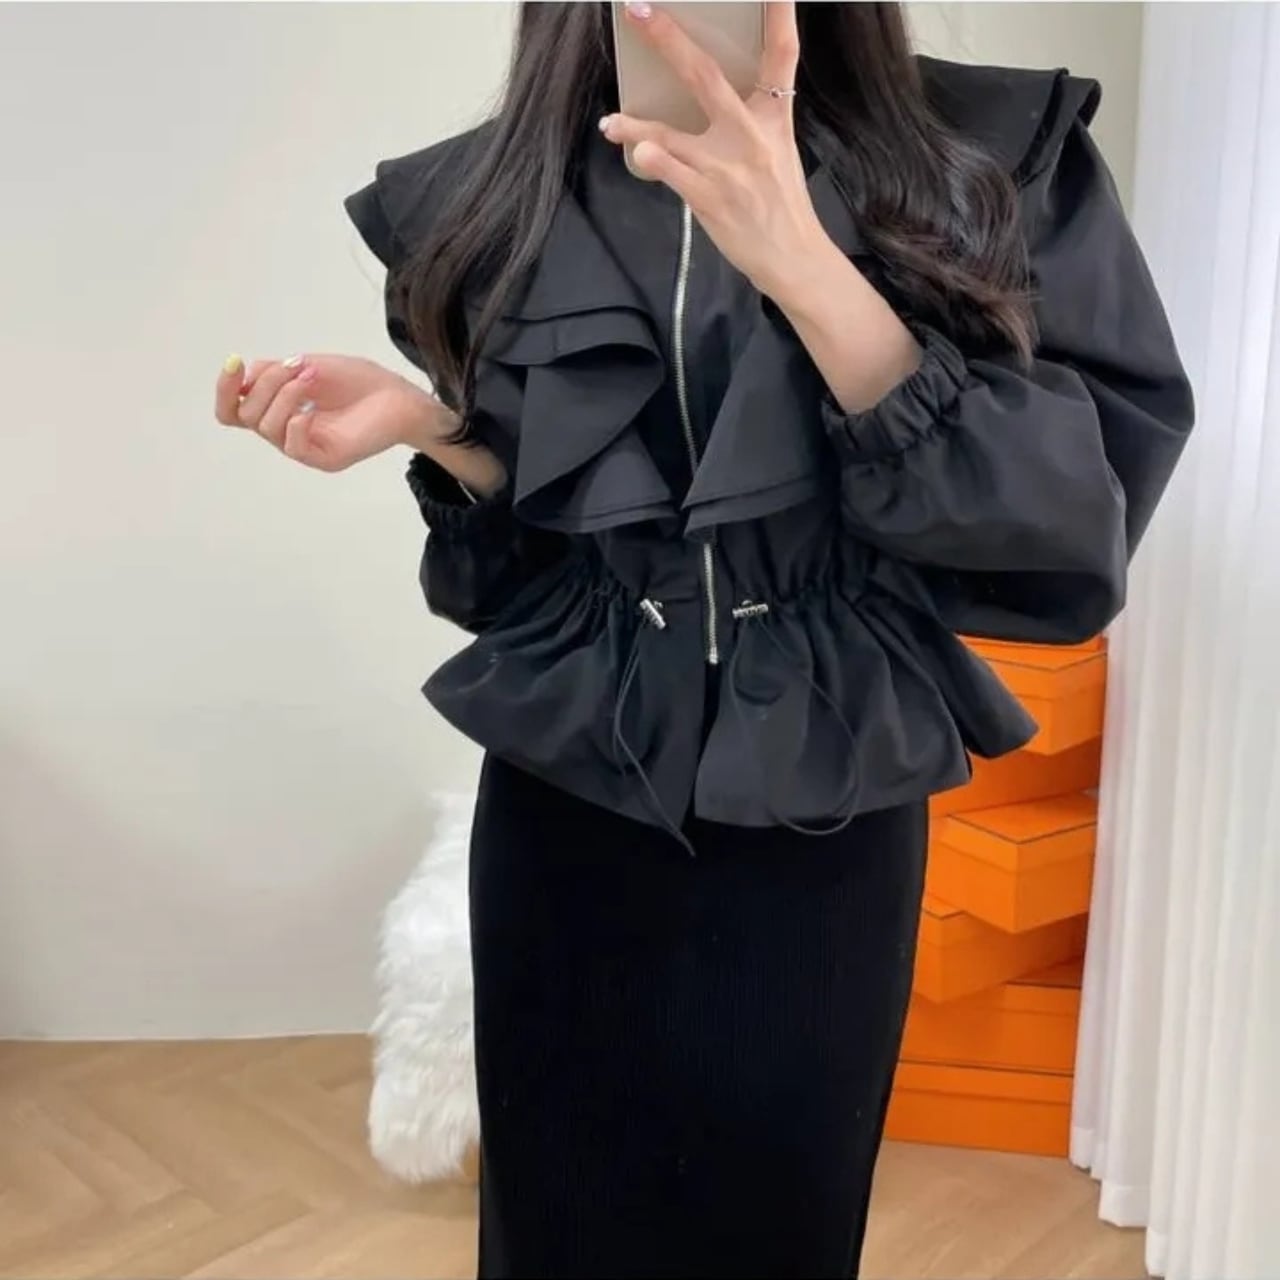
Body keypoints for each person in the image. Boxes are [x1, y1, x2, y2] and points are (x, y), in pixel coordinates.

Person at [213, 3, 1193, 1275]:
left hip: (822, 809)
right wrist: (430, 428)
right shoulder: (500, 192)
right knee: (552, 1229)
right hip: (566, 808)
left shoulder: (987, 159)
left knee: (778, 1228)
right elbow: (533, 570)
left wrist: (803, 263)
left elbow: (1063, 531)